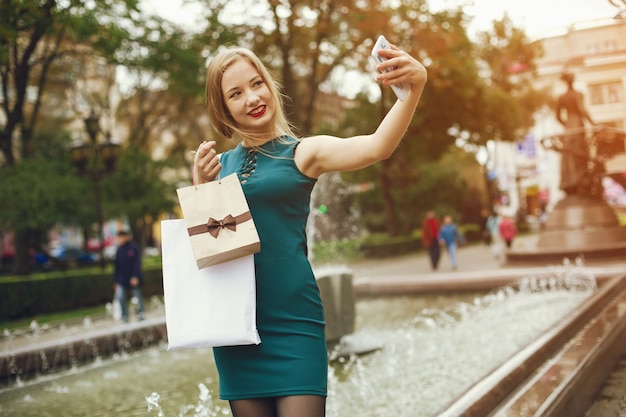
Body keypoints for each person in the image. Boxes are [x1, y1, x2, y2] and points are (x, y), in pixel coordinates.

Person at [194, 44, 427, 417]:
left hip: (293, 322)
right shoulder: (216, 167)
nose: (252, 98)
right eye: (236, 93)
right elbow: (212, 254)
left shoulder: (302, 152)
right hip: (237, 326)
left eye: (257, 84)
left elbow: (376, 147)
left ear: (270, 86)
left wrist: (413, 90)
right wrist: (201, 191)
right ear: (223, 108)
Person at [555, 71, 594, 195]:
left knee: (569, 155)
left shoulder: (562, 97)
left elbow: (557, 116)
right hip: (577, 124)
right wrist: (593, 123)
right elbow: (582, 110)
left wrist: (566, 125)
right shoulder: (577, 94)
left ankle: (570, 182)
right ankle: (580, 182)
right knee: (579, 154)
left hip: (569, 127)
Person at [113, 230, 144, 322]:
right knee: (120, 297)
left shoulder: (133, 248)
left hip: (133, 277)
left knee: (137, 296)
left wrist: (135, 276)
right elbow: (117, 267)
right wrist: (116, 281)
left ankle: (140, 313)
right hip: (122, 279)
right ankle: (124, 315)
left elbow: (136, 263)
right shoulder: (119, 250)